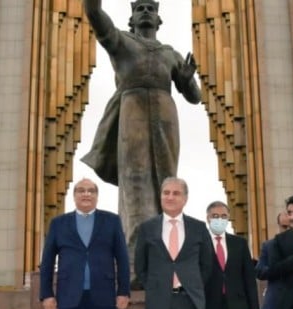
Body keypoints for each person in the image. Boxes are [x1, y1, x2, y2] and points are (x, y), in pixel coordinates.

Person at [80, 0, 202, 263]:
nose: (146, 12)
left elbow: (195, 97)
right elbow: (93, 13)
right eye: (139, 8)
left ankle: (168, 257)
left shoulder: (170, 53)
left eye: (151, 8)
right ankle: (136, 263)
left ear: (159, 19)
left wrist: (186, 79)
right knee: (135, 184)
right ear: (131, 19)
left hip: (166, 119)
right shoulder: (122, 42)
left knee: (167, 183)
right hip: (132, 113)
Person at [40, 178, 130, 309]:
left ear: (97, 196)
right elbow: (47, 261)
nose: (86, 194)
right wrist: (46, 294)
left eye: (91, 191)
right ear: (74, 196)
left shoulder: (112, 221)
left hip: (102, 300)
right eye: (81, 190)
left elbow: (122, 259)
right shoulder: (58, 224)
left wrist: (124, 291)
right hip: (70, 300)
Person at [134, 177, 213, 309]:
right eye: (166, 192)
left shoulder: (198, 228)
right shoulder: (147, 228)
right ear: (160, 196)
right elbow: (141, 267)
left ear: (185, 199)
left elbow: (206, 265)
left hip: (188, 301)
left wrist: (191, 286)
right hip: (158, 302)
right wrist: (155, 287)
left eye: (176, 193)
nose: (170, 197)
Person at [200, 201, 259, 309]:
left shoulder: (239, 244)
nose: (220, 220)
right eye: (215, 216)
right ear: (208, 218)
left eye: (224, 216)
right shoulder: (198, 245)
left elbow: (249, 279)